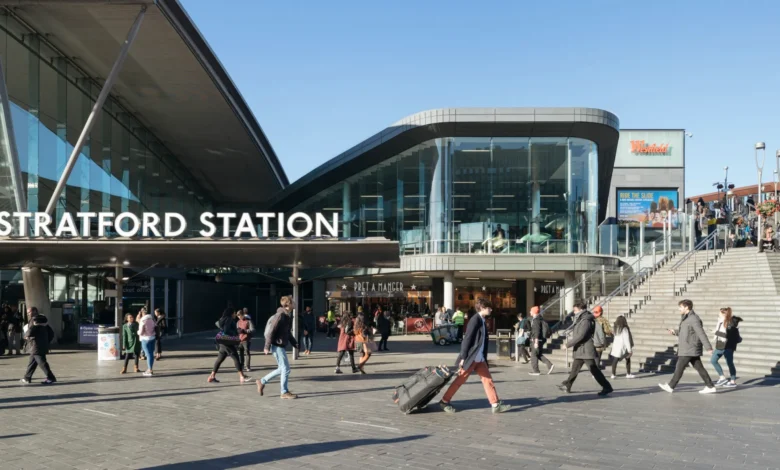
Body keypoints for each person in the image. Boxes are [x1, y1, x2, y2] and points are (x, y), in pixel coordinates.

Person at [438, 298, 511, 414]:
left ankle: (495, 404)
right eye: (489, 308)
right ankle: (444, 401)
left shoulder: (481, 319)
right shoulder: (475, 320)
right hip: (471, 358)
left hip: (479, 358)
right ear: (482, 308)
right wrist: (463, 357)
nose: (491, 310)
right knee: (460, 380)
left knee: (488, 380)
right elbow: (467, 339)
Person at [659, 299, 716, 394]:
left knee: (679, 366)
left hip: (690, 347)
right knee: (699, 368)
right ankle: (710, 386)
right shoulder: (686, 318)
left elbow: (701, 333)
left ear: (686, 307)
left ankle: (670, 386)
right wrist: (675, 332)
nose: (679, 309)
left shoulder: (693, 318)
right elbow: (686, 332)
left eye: (680, 307)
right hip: (689, 347)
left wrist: (708, 347)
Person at [557, 303, 613, 396]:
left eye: (575, 310)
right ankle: (568, 384)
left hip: (586, 349)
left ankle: (607, 387)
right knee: (575, 368)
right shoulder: (581, 319)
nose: (573, 312)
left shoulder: (585, 320)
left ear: (580, 310)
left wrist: (567, 345)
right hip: (581, 349)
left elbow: (581, 335)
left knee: (594, 369)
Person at [258, 296, 298, 399]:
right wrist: (266, 346)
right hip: (277, 346)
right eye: (292, 302)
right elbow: (271, 330)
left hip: (280, 346)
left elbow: (287, 333)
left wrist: (295, 343)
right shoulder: (280, 315)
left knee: (282, 369)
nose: (294, 303)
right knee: (286, 369)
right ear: (288, 304)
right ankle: (284, 392)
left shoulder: (287, 316)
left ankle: (262, 381)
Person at [20, 308, 56, 385]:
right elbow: (51, 333)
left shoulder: (34, 320)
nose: (28, 314)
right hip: (40, 345)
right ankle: (27, 378)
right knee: (32, 362)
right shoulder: (44, 321)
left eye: (29, 312)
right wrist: (46, 341)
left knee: (42, 363)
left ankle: (51, 377)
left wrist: (26, 336)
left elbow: (31, 330)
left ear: (34, 311)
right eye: (27, 312)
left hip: (35, 345)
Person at [710, 307, 742, 388]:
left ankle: (733, 381)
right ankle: (722, 377)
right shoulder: (720, 321)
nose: (719, 314)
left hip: (728, 346)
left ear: (724, 314)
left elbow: (728, 335)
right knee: (713, 360)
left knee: (730, 363)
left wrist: (716, 332)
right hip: (720, 345)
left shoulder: (730, 323)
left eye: (720, 313)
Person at [528, 306, 554, 376]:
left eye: (531, 311)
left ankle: (536, 371)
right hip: (540, 339)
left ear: (534, 312)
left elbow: (536, 331)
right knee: (538, 354)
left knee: (533, 355)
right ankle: (549, 365)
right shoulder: (540, 319)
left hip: (537, 339)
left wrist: (536, 341)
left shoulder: (536, 320)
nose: (530, 312)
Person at [137, 309, 157, 377]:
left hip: (145, 339)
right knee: (151, 354)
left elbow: (141, 332)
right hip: (152, 338)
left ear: (142, 314)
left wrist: (137, 332)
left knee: (148, 354)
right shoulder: (152, 319)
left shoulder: (143, 321)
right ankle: (150, 368)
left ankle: (149, 370)